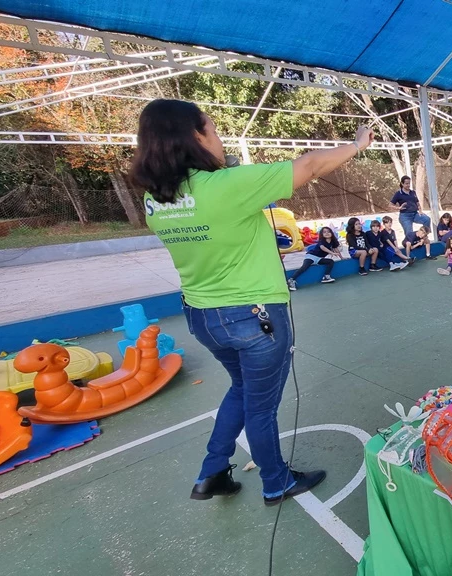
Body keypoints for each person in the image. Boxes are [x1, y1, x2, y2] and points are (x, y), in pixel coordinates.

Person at [131, 100, 373, 504]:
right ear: (194, 137)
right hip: (253, 317)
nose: (219, 138)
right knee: (261, 408)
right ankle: (276, 482)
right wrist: (357, 144)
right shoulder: (227, 186)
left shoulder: (156, 199)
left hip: (202, 317)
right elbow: (310, 165)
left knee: (241, 390)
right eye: (212, 129)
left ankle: (212, 472)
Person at [391, 175, 431, 243]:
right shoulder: (398, 194)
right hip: (405, 216)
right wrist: (399, 208)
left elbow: (417, 202)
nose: (408, 185)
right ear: (402, 183)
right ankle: (410, 245)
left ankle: (424, 237)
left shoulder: (413, 192)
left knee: (427, 219)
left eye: (409, 183)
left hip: (415, 214)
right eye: (406, 183)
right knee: (409, 233)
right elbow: (390, 205)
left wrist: (420, 211)